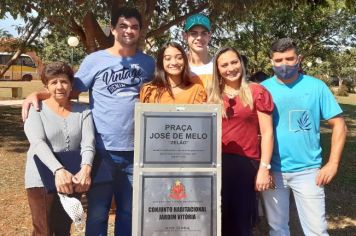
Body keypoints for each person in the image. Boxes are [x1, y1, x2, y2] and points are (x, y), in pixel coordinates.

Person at [22, 7, 155, 236]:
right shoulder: (96, 60)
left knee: (128, 212)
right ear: (113, 29)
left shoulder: (148, 63)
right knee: (97, 212)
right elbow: (69, 91)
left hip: (136, 151)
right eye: (123, 25)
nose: (128, 31)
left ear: (140, 31)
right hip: (101, 151)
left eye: (134, 26)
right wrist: (40, 95)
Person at [261, 38, 347, 236]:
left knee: (316, 230)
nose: (284, 64)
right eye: (279, 60)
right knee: (277, 228)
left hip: (308, 171)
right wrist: (262, 168)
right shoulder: (262, 89)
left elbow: (339, 124)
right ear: (271, 61)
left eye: (290, 59)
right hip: (273, 171)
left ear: (299, 59)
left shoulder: (317, 87)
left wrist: (333, 163)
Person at [208, 47, 274, 235]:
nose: (230, 68)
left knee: (241, 221)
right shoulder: (211, 94)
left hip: (246, 165)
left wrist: (264, 168)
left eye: (234, 62)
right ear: (217, 69)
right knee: (216, 219)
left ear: (241, 63)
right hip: (215, 165)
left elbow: (267, 133)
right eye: (224, 64)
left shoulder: (257, 91)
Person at [24, 62, 95, 235]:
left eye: (64, 81)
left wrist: (86, 169)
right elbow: (37, 142)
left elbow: (88, 142)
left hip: (72, 178)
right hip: (41, 179)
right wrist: (58, 170)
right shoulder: (36, 110)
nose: (59, 87)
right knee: (44, 230)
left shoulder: (83, 111)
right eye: (54, 82)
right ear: (46, 86)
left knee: (63, 229)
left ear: (71, 85)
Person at [140, 42, 206, 104]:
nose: (174, 62)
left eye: (179, 58)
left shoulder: (196, 91)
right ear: (161, 62)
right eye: (168, 59)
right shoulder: (149, 91)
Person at [183, 13, 213, 91]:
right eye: (194, 33)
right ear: (185, 36)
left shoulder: (219, 66)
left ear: (209, 36)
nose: (199, 37)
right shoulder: (179, 67)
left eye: (204, 33)